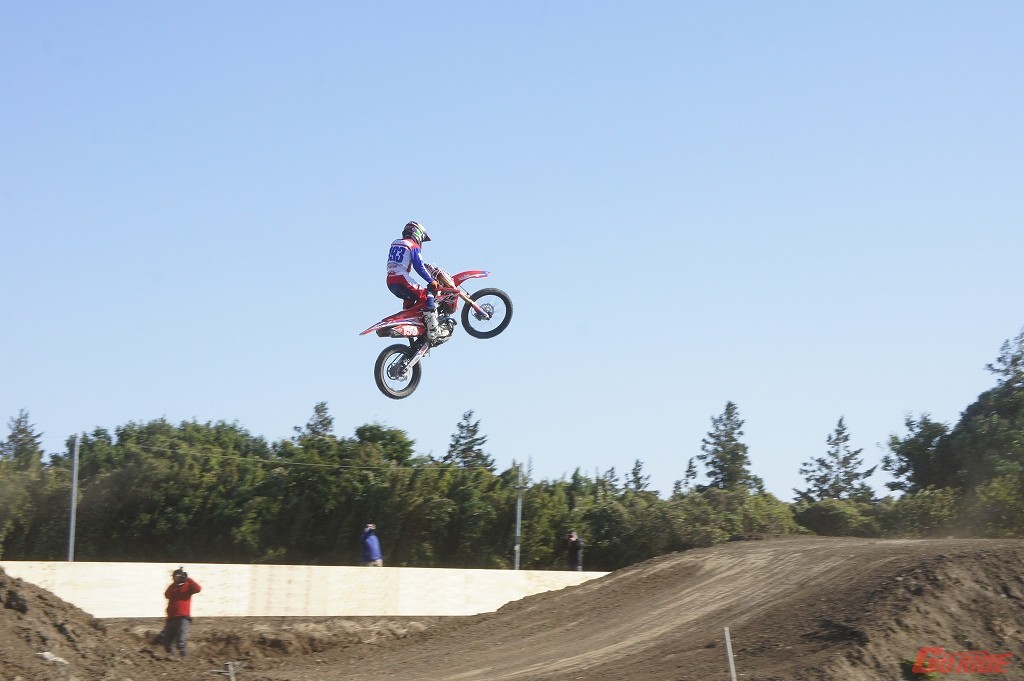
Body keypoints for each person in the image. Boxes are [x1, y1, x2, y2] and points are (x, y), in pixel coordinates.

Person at [385, 220, 447, 344]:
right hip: (402, 279)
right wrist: (431, 280)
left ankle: (411, 323)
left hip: (390, 281)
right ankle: (433, 330)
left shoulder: (395, 243)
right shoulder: (412, 246)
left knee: (410, 301)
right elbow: (419, 266)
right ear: (417, 234)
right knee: (428, 295)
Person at [161, 567, 201, 658]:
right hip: (171, 618)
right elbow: (166, 595)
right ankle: (172, 657)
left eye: (178, 576)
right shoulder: (173, 587)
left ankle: (185, 659)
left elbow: (198, 589)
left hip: (183, 618)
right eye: (174, 576)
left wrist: (188, 579)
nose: (176, 577)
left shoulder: (188, 586)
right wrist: (175, 584)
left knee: (180, 642)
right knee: (167, 642)